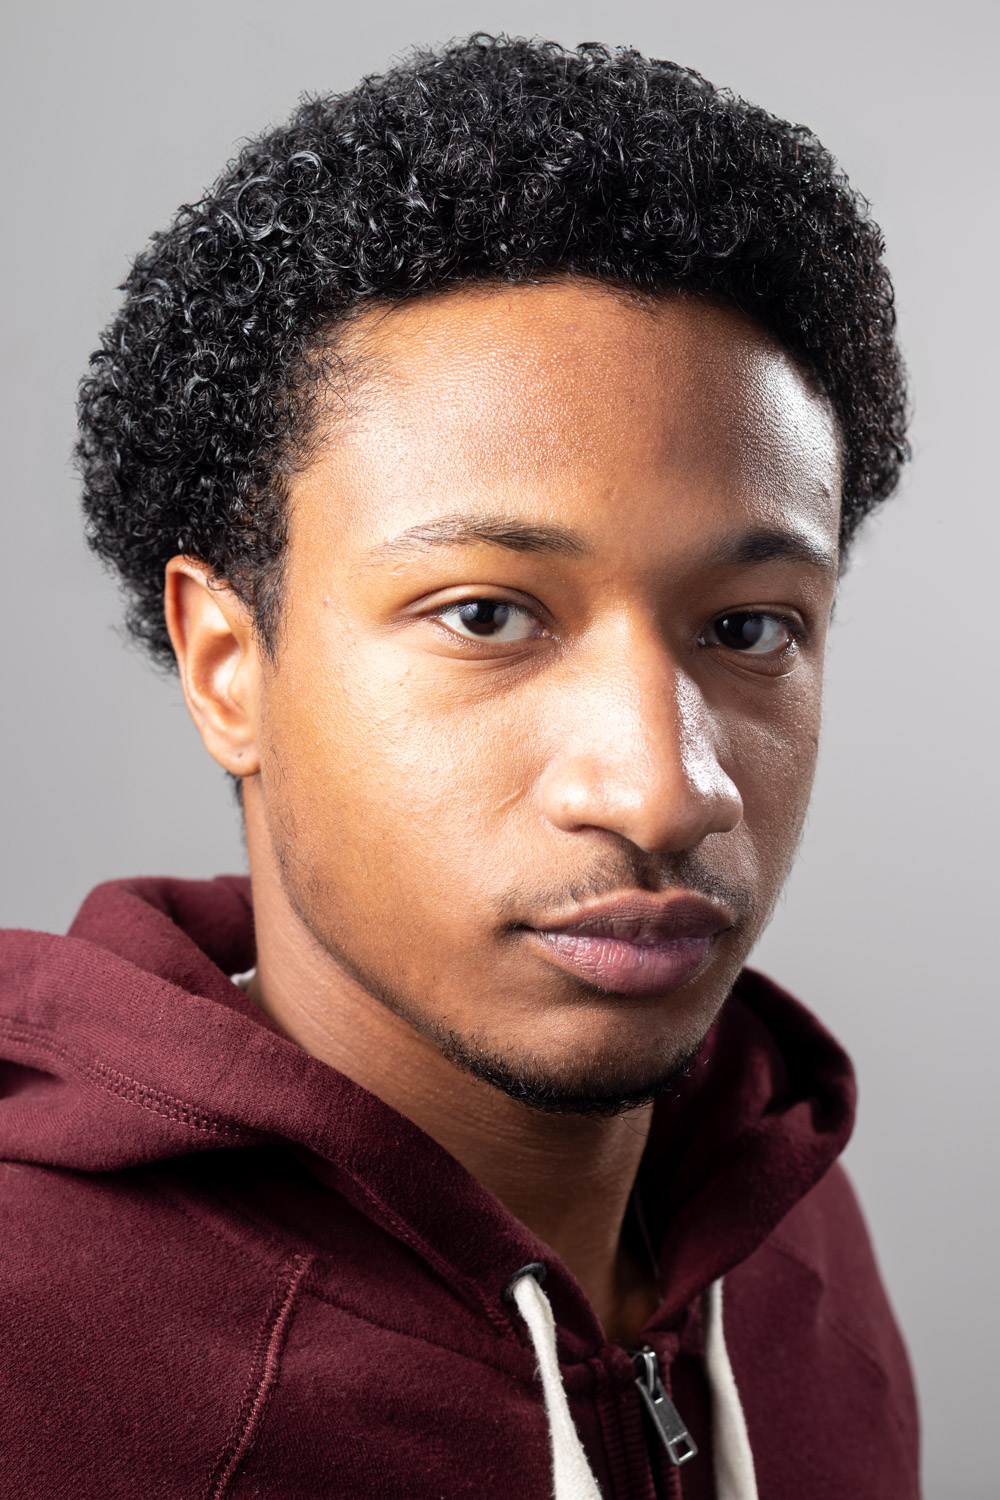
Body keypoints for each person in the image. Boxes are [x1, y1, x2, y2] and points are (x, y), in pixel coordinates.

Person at [0, 34, 919, 1500]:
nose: (665, 791)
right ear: (227, 665)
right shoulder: (35, 1350)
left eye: (749, 627)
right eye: (488, 615)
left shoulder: (788, 1237)